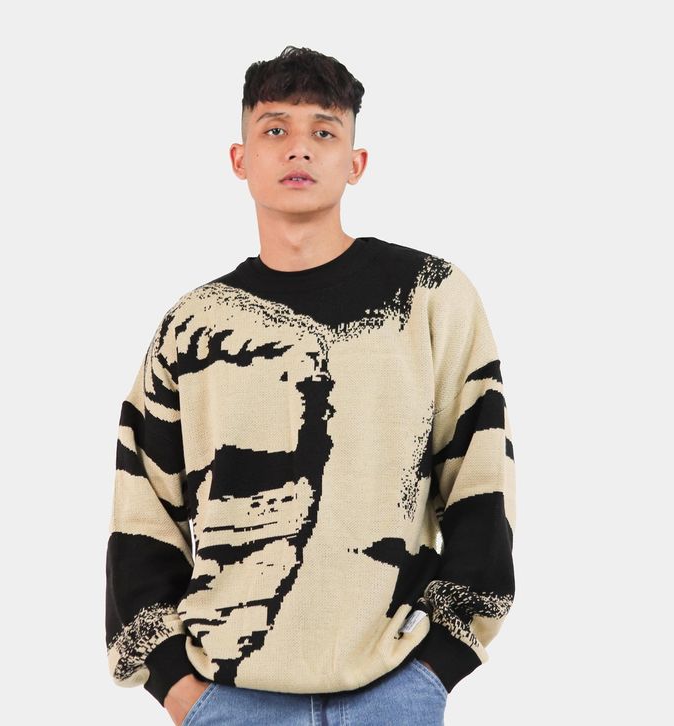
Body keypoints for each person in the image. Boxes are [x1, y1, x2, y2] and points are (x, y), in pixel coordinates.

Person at [105, 45, 516, 726]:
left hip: (394, 689)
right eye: (275, 129)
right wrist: (175, 684)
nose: (299, 148)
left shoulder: (431, 297)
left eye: (324, 131)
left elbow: (481, 479)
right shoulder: (194, 326)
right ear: (240, 158)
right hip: (229, 697)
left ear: (356, 162)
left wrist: (442, 661)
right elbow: (142, 505)